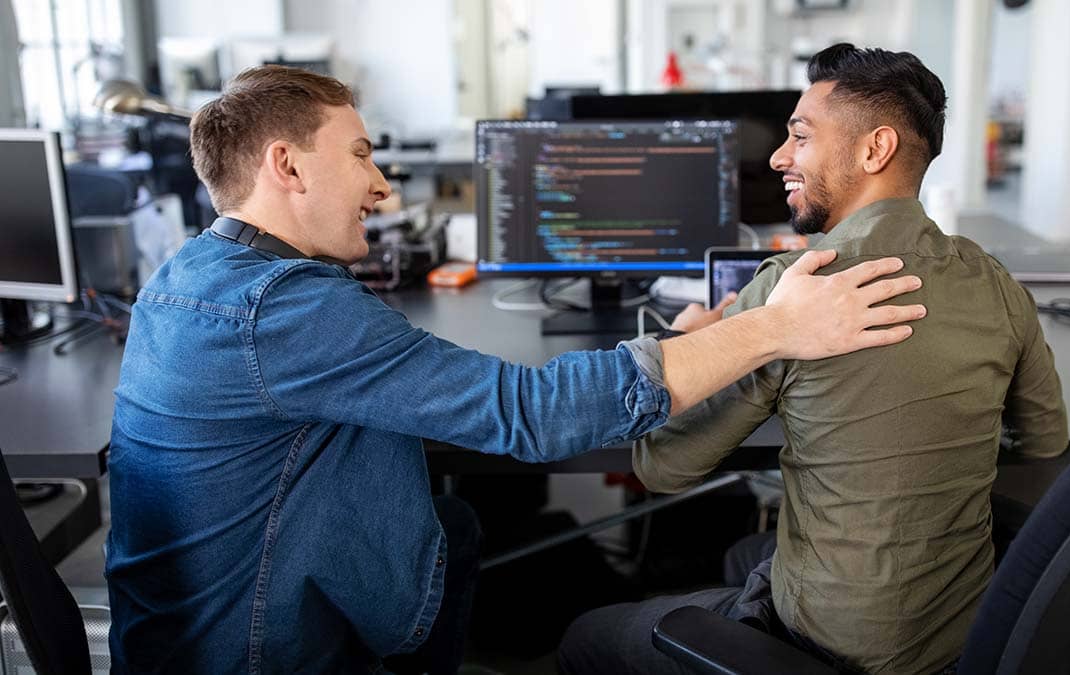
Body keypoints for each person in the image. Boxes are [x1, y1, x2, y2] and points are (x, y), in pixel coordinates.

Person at [103, 65, 928, 674]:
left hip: (181, 631)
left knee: (457, 526)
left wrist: (685, 341)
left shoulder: (195, 275)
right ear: (287, 166)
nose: (383, 186)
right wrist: (773, 328)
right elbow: (527, 413)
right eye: (360, 154)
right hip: (248, 652)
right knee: (460, 526)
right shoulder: (283, 310)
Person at [558, 43, 1068, 675]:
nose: (777, 156)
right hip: (958, 635)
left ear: (873, 150)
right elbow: (1044, 440)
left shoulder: (796, 284)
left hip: (831, 642)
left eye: (799, 136)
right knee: (751, 553)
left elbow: (664, 465)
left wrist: (681, 344)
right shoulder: (995, 282)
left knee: (584, 638)